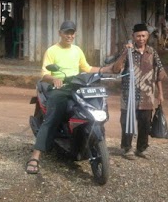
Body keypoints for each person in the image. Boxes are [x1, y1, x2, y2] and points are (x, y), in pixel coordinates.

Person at [26, 20, 112, 174]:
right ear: (60, 33)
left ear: (75, 34)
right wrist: (54, 79)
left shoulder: (77, 50)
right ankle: (35, 156)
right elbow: (44, 73)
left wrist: (106, 69)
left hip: (77, 86)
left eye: (72, 32)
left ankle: (87, 140)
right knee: (52, 119)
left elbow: (86, 68)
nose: (69, 35)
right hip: (59, 88)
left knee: (92, 107)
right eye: (66, 32)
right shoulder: (52, 50)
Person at [112, 23, 166, 160]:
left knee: (145, 123)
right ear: (133, 37)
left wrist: (160, 93)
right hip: (128, 95)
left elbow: (158, 73)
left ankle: (141, 149)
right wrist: (125, 52)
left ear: (147, 36)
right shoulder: (128, 51)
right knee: (126, 122)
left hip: (147, 96)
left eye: (143, 36)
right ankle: (127, 148)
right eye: (138, 36)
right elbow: (116, 69)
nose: (141, 38)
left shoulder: (152, 52)